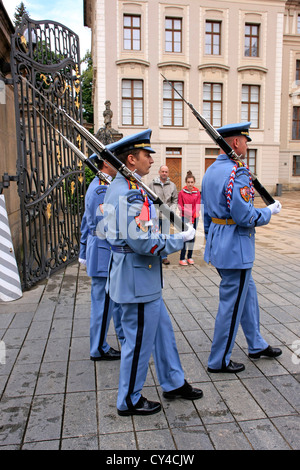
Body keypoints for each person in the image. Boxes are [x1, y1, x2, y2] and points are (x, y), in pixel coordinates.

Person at [103, 129, 203, 416]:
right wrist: (179, 240)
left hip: (140, 279)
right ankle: (129, 400)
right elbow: (143, 242)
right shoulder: (127, 193)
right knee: (137, 344)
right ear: (132, 159)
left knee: (163, 333)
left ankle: (172, 381)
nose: (151, 159)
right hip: (138, 280)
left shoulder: (125, 187)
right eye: (147, 155)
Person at [201, 122, 282, 374]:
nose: (247, 145)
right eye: (245, 140)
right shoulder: (238, 173)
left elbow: (206, 215)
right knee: (231, 304)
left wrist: (211, 241)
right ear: (235, 142)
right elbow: (244, 216)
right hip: (236, 248)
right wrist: (267, 212)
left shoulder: (211, 170)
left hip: (220, 244)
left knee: (248, 295)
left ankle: (256, 343)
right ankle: (219, 360)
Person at [79, 154, 124, 361]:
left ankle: (100, 344)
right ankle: (98, 348)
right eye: (115, 161)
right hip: (103, 252)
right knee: (103, 305)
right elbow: (102, 226)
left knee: (104, 303)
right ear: (106, 163)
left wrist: (82, 251)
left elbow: (83, 223)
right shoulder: (101, 189)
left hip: (100, 251)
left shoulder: (101, 184)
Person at [148, 165, 178, 265]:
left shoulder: (172, 185)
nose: (164, 173)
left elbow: (175, 200)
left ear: (168, 173)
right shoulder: (152, 184)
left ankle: (164, 257)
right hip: (155, 216)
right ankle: (154, 255)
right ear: (159, 172)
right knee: (154, 236)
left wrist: (171, 211)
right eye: (162, 171)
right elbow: (148, 198)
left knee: (165, 236)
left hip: (166, 216)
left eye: (166, 172)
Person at [178, 170, 201, 266]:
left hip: (195, 217)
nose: (190, 184)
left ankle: (190, 256)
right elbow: (180, 205)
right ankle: (182, 258)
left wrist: (194, 213)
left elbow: (198, 204)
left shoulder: (197, 192)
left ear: (194, 182)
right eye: (188, 182)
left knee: (192, 237)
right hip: (185, 217)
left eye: (192, 182)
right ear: (186, 182)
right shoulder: (182, 193)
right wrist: (188, 213)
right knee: (185, 236)